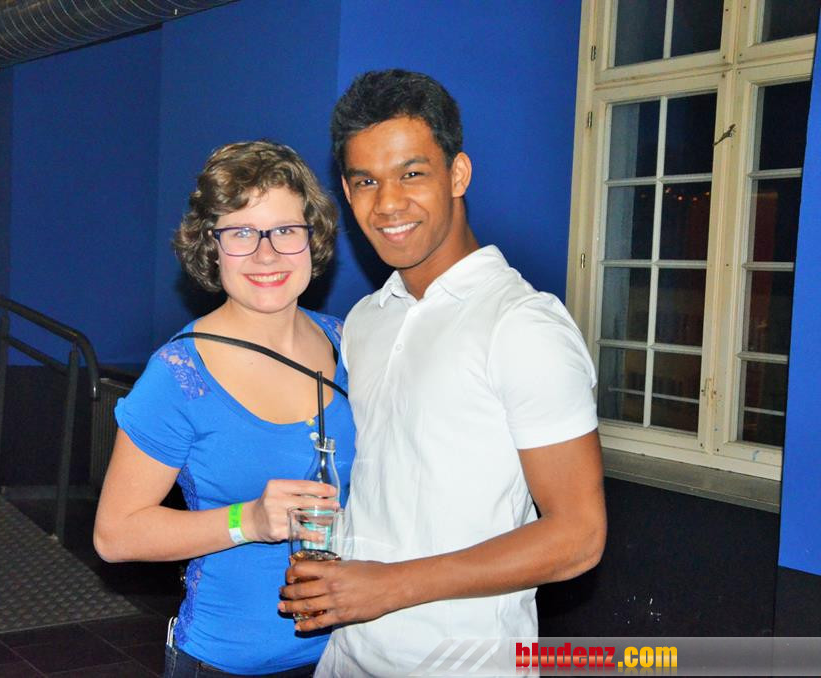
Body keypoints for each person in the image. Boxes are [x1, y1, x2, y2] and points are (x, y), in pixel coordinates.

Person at [279, 69, 607, 675]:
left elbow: (579, 537)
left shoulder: (521, 324)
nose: (388, 203)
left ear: (457, 175)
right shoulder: (366, 320)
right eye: (366, 181)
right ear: (347, 192)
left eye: (412, 174)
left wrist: (390, 585)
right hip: (348, 653)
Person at [94, 140, 356, 677]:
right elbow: (115, 535)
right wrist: (248, 520)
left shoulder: (350, 343)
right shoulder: (178, 376)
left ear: (313, 239)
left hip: (353, 652)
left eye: (285, 230)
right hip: (229, 662)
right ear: (211, 248)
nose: (266, 254)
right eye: (240, 233)